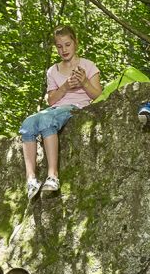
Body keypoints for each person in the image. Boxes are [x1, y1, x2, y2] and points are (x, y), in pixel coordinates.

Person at [19, 25, 101, 200]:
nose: (64, 49)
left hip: (76, 108)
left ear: (75, 43)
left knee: (46, 121)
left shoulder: (88, 65)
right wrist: (65, 86)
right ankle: (31, 179)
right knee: (27, 124)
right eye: (59, 46)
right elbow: (51, 101)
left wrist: (84, 82)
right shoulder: (53, 70)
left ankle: (52, 175)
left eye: (67, 44)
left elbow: (99, 96)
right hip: (55, 108)